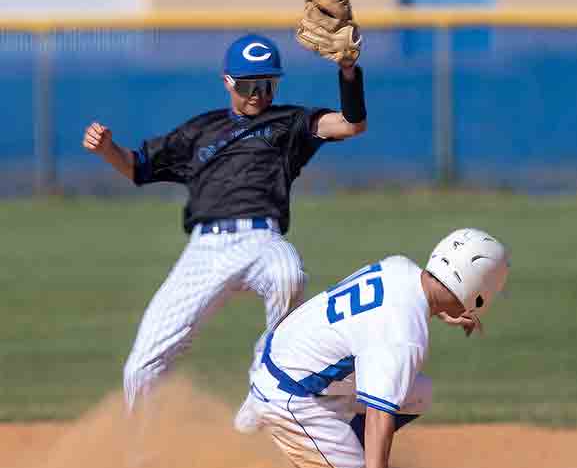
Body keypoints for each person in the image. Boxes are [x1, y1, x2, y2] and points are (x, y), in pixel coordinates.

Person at [81, 33, 368, 414]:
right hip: (205, 250)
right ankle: (137, 460)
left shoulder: (290, 123)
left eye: (267, 83)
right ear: (227, 81)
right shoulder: (199, 130)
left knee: (288, 274)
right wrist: (107, 151)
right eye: (248, 84)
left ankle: (267, 382)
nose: (258, 93)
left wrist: (348, 71)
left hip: (262, 239)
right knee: (141, 366)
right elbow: (138, 167)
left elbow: (350, 125)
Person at [213, 228, 510, 468]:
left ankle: (345, 460)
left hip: (281, 357)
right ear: (477, 293)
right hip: (290, 397)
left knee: (418, 393)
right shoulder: (403, 336)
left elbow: (387, 313)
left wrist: (444, 311)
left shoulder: (400, 267)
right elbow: (378, 416)